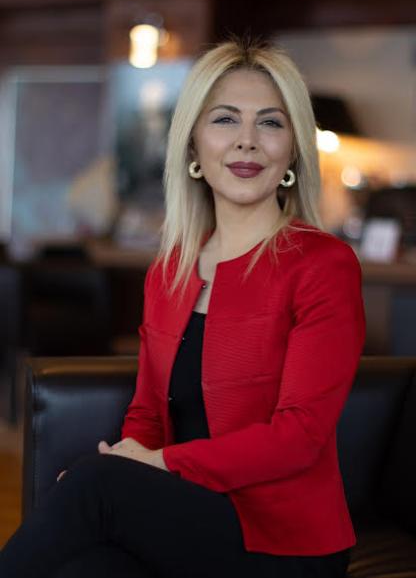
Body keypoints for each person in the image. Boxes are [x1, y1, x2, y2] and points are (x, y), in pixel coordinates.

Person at [0, 38, 366, 578]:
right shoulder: (170, 271)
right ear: (193, 145)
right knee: (88, 565)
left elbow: (298, 439)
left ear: (292, 150)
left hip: (286, 541)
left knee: (93, 485)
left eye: (270, 122)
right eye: (225, 119)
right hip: (187, 514)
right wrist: (129, 461)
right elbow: (148, 414)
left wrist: (148, 466)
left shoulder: (323, 264)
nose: (247, 140)